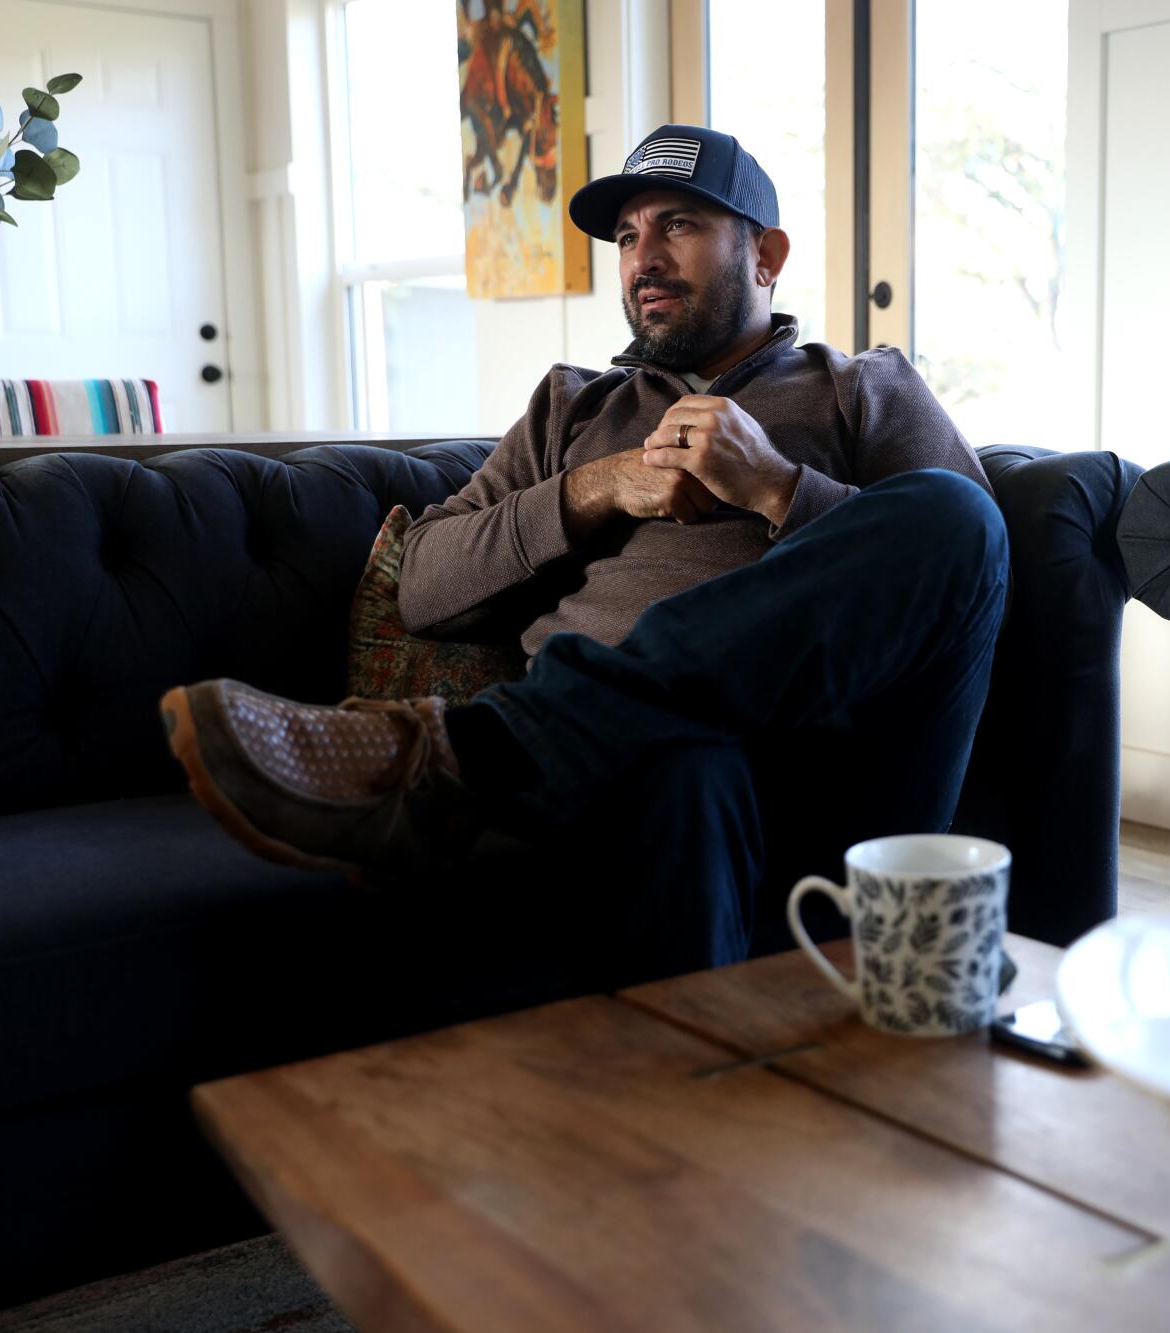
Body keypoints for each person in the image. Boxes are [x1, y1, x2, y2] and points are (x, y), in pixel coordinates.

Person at [159, 125, 1007, 982]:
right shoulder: (572, 410)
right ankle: (691, 1091)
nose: (644, 259)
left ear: (766, 254)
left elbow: (968, 570)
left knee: (956, 512)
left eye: (678, 225)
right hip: (633, 774)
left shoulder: (863, 388)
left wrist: (778, 487)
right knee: (679, 761)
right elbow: (422, 583)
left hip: (834, 763)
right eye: (629, 237)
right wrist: (590, 491)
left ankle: (484, 750)